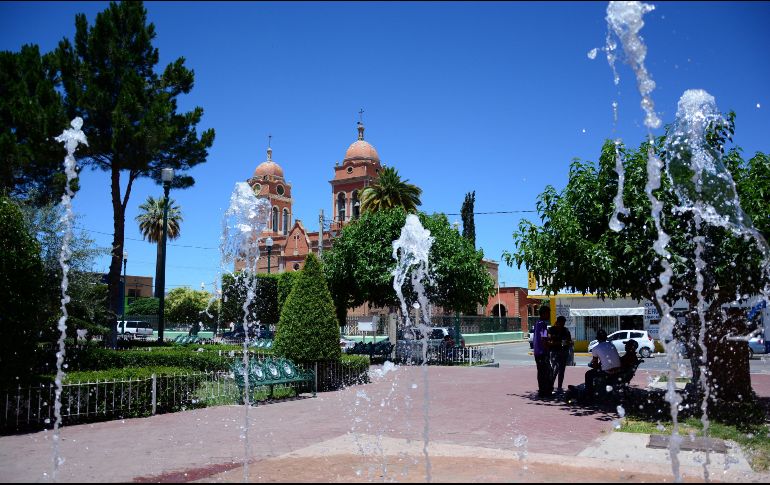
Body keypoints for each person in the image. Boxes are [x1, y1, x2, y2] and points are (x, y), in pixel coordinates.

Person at [584, 328, 621, 396]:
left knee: (588, 374)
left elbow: (595, 365)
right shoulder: (611, 345)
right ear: (606, 337)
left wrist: (594, 366)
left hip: (608, 372)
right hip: (618, 371)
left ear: (597, 339)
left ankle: (589, 392)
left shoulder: (595, 348)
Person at [533, 306, 553, 397]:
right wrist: (548, 346)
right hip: (542, 352)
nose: (549, 315)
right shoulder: (543, 324)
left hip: (537, 352)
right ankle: (546, 391)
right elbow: (544, 338)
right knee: (546, 372)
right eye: (548, 313)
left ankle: (542, 390)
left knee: (540, 372)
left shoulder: (537, 323)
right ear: (544, 313)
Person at [549, 315, 572, 393]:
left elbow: (569, 341)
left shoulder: (566, 330)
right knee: (555, 369)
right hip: (554, 352)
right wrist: (558, 343)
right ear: (557, 322)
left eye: (564, 323)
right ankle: (550, 386)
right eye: (561, 323)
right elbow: (548, 342)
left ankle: (559, 387)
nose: (562, 325)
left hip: (563, 352)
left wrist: (569, 343)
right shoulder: (551, 330)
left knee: (562, 371)